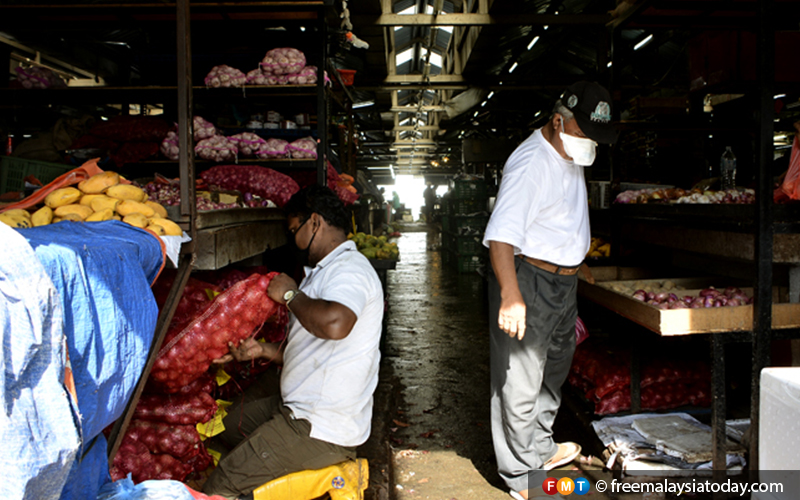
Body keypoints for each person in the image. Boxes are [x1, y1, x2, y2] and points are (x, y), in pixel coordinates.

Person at [203, 185, 384, 500]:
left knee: (219, 486)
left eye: (293, 230)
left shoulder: (349, 270)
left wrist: (289, 295)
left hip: (319, 425)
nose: (294, 241)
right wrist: (261, 350)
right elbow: (314, 349)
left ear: (314, 222)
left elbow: (335, 324)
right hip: (297, 408)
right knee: (220, 428)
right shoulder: (324, 272)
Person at [482, 81, 617, 500]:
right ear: (558, 121)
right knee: (518, 378)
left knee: (553, 369)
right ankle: (520, 474)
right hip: (528, 278)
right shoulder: (529, 164)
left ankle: (538, 447)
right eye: (584, 134)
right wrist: (511, 295)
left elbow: (561, 215)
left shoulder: (570, 150)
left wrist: (578, 261)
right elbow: (501, 239)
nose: (590, 145)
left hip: (563, 280)